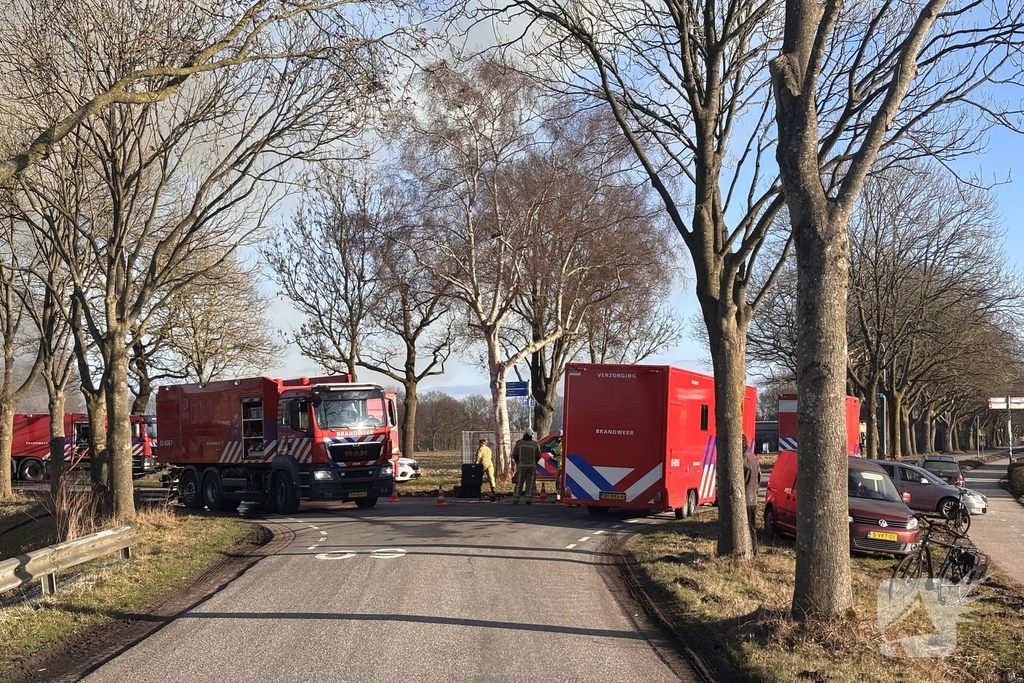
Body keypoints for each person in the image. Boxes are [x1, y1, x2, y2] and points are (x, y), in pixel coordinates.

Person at [512, 429, 541, 505]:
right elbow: (539, 455)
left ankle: (516, 498)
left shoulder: (519, 443)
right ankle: (528, 499)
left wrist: (518, 462)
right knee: (530, 482)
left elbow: (514, 454)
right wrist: (534, 462)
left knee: (519, 482)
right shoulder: (534, 444)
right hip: (531, 466)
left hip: (522, 466)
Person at [742, 435, 760, 555]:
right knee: (752, 529)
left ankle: (748, 552)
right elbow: (759, 479)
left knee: (746, 529)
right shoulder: (753, 458)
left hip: (746, 500)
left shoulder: (743, 459)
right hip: (753, 499)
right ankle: (755, 552)